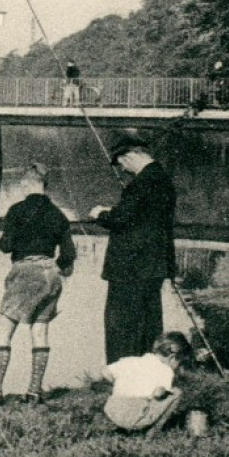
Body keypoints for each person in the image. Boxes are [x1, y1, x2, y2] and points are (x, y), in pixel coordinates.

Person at [0, 162, 76, 405]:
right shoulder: (59, 214)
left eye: (22, 183)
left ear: (27, 183)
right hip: (50, 273)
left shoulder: (16, 210)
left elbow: (6, 246)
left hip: (25, 272)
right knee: (40, 329)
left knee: (5, 329)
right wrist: (57, 267)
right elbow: (68, 254)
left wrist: (8, 238)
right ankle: (34, 392)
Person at [89, 135, 178, 364]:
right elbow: (142, 217)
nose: (122, 168)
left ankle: (122, 373)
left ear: (130, 155)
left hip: (130, 268)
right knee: (149, 323)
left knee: (122, 325)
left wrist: (101, 214)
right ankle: (150, 369)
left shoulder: (142, 183)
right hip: (154, 265)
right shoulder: (162, 179)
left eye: (121, 162)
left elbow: (121, 220)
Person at [102, 331, 191, 432]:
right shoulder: (166, 371)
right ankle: (153, 432)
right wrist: (161, 394)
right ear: (172, 358)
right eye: (180, 363)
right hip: (135, 417)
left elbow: (105, 372)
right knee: (177, 393)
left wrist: (120, 384)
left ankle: (121, 429)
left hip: (112, 411)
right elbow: (158, 394)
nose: (179, 367)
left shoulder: (131, 360)